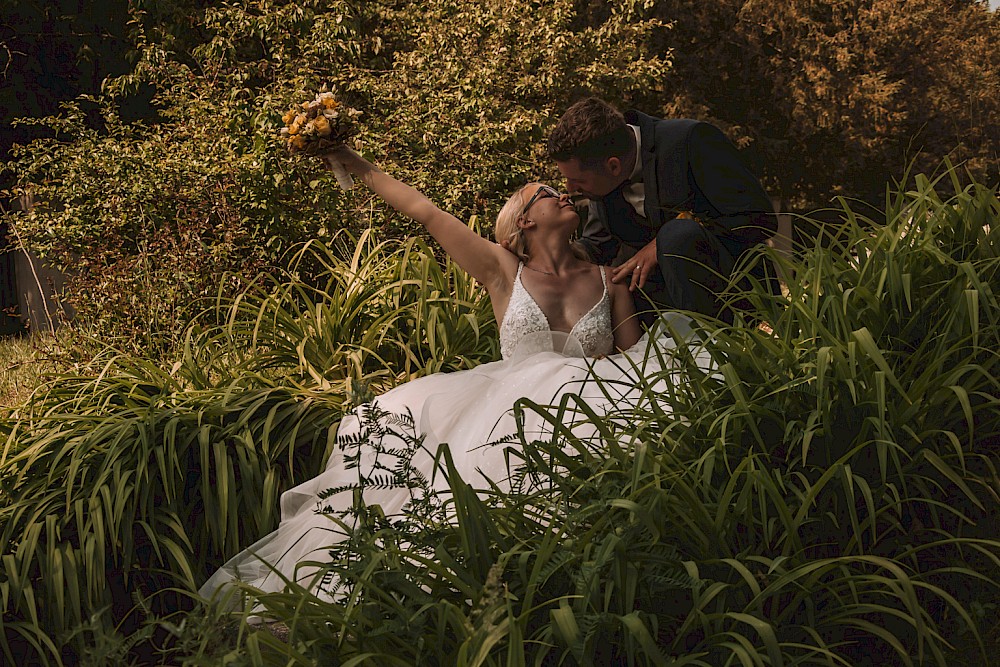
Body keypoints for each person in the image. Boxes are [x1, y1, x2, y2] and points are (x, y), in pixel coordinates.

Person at [199, 147, 710, 601]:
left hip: (588, 414)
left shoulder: (608, 279)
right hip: (508, 415)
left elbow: (635, 361)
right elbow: (425, 211)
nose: (563, 194)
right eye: (546, 193)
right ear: (525, 222)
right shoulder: (501, 270)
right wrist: (353, 162)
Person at [548, 97, 779, 325]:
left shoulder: (692, 140)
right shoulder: (602, 185)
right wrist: (541, 250)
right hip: (659, 312)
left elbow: (760, 219)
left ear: (613, 166)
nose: (570, 188)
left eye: (577, 180)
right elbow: (597, 248)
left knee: (676, 236)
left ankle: (710, 354)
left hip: (734, 297)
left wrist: (660, 244)